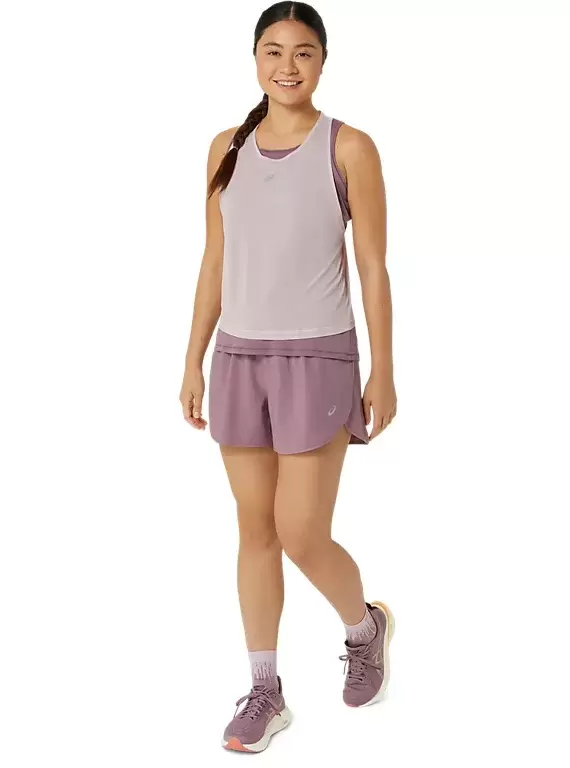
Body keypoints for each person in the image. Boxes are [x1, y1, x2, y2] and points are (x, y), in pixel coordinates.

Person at [179, 1, 397, 753]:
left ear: (323, 61)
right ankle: (265, 689)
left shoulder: (350, 148)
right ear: (254, 60)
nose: (287, 66)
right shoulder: (225, 149)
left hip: (318, 358)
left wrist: (384, 370)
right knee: (255, 528)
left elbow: (373, 266)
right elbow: (215, 259)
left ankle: (364, 630)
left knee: (302, 531)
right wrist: (192, 357)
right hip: (238, 357)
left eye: (303, 52)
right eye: (273, 51)